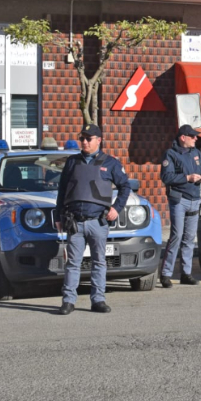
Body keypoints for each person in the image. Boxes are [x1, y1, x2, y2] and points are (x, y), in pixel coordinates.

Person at [55, 123, 131, 315]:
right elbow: (62, 190)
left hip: (98, 221)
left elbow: (125, 187)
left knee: (99, 262)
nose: (85, 142)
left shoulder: (110, 162)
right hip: (76, 221)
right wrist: (58, 215)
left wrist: (116, 208)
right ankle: (68, 301)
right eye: (82, 138)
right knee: (73, 263)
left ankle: (98, 299)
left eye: (89, 139)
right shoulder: (72, 162)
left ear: (99, 140)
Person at [159, 125, 201, 288]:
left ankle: (186, 274)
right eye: (192, 136)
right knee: (176, 236)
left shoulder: (196, 153)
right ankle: (166, 274)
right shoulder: (171, 154)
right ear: (183, 137)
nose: (196, 138)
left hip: (195, 199)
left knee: (189, 238)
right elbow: (166, 176)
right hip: (179, 200)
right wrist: (187, 177)